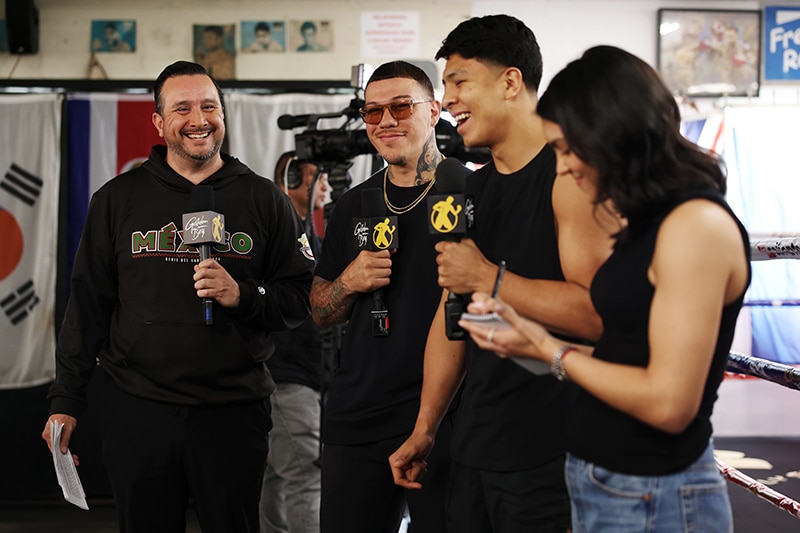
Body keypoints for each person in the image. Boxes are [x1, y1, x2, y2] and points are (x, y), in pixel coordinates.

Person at [459, 45, 751, 533]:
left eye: (570, 149)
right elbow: (628, 354)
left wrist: (551, 350)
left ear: (614, 136)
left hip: (653, 490)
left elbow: (668, 403)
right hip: (610, 480)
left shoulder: (695, 226)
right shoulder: (649, 222)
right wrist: (527, 341)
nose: (565, 166)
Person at [41, 60, 315, 533]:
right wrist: (66, 398)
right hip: (138, 410)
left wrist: (244, 296)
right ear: (159, 121)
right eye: (182, 108)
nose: (198, 119)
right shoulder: (117, 198)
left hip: (233, 412)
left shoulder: (263, 199)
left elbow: (301, 298)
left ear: (224, 114)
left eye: (210, 106)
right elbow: (87, 305)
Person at [388, 15, 614, 532]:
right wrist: (425, 427)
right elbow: (453, 319)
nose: (448, 100)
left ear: (511, 82)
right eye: (445, 85)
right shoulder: (472, 189)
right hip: (475, 445)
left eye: (460, 81)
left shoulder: (568, 177)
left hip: (554, 451)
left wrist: (489, 277)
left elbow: (597, 314)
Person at [309, 60, 454, 533]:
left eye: (400, 107)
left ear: (433, 111)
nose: (385, 121)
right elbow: (319, 310)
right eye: (372, 112)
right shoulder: (353, 205)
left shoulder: (472, 191)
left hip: (449, 414)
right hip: (360, 413)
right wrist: (349, 281)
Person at [260, 152, 329, 533]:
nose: (327, 185)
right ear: (294, 181)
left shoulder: (307, 234)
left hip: (295, 376)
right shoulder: (278, 231)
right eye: (318, 178)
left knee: (276, 474)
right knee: (306, 474)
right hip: (286, 378)